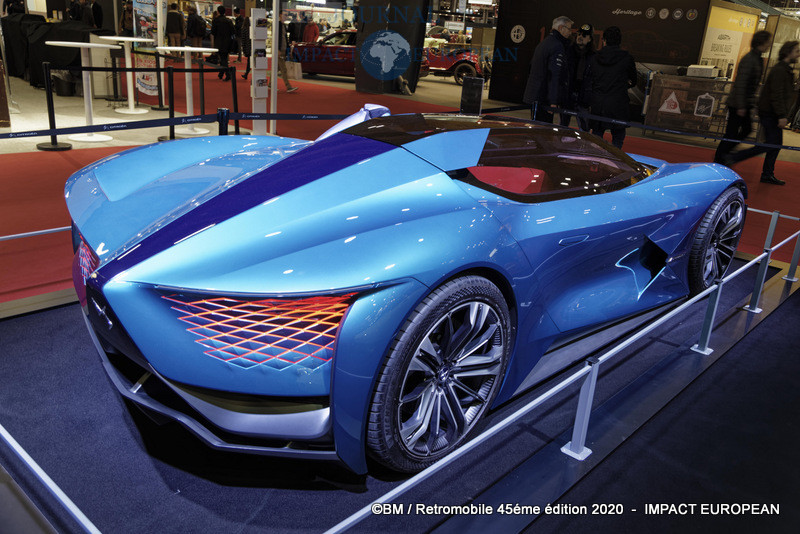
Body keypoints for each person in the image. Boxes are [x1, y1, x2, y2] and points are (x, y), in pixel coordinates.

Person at [723, 41, 800, 185]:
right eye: (796, 51)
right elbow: (776, 94)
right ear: (788, 52)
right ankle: (735, 157)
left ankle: (767, 173)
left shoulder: (784, 69)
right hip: (771, 113)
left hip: (772, 112)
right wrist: (782, 115)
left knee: (775, 144)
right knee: (771, 144)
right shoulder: (780, 70)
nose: (798, 54)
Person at [714, 30, 772, 164]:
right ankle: (721, 158)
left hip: (742, 103)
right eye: (768, 42)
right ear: (762, 42)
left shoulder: (755, 58)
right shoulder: (750, 59)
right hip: (738, 103)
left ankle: (723, 156)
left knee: (737, 131)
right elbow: (741, 83)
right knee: (735, 132)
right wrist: (741, 105)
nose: (769, 45)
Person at [589, 26, 636, 149]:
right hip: (618, 103)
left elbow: (590, 79)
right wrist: (622, 85)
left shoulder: (595, 57)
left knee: (597, 137)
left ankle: (594, 159)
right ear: (619, 41)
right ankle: (614, 160)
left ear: (604, 40)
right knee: (618, 139)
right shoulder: (627, 58)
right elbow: (634, 80)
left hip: (599, 103)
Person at [522, 16, 573, 124]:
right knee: (543, 129)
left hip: (536, 95)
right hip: (544, 97)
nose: (570, 32)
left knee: (537, 126)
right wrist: (553, 101)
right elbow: (554, 75)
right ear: (561, 28)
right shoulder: (557, 46)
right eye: (569, 29)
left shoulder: (544, 43)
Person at [560, 22, 595, 130]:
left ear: (590, 39)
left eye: (584, 35)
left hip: (583, 97)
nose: (580, 37)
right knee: (562, 127)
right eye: (579, 34)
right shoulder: (568, 52)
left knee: (584, 129)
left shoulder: (593, 57)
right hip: (568, 94)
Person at [273, 11, 298, 92]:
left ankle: (270, 84)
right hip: (279, 50)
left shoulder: (283, 25)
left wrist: (288, 49)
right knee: (283, 69)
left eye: (287, 15)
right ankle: (288, 86)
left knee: (276, 69)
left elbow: (285, 38)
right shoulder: (278, 25)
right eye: (285, 15)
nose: (286, 16)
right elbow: (276, 38)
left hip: (283, 49)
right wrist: (277, 49)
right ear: (280, 15)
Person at [210, 5, 234, 80]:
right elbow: (233, 31)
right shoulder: (228, 21)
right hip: (228, 41)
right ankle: (221, 73)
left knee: (222, 58)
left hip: (219, 41)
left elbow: (213, 32)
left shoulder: (216, 21)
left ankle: (227, 74)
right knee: (224, 57)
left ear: (218, 12)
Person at [241, 14, 252, 79]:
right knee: (249, 61)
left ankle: (246, 73)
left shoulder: (244, 29)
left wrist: (243, 48)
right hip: (251, 47)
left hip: (247, 47)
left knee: (249, 61)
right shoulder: (251, 29)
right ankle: (246, 73)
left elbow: (243, 40)